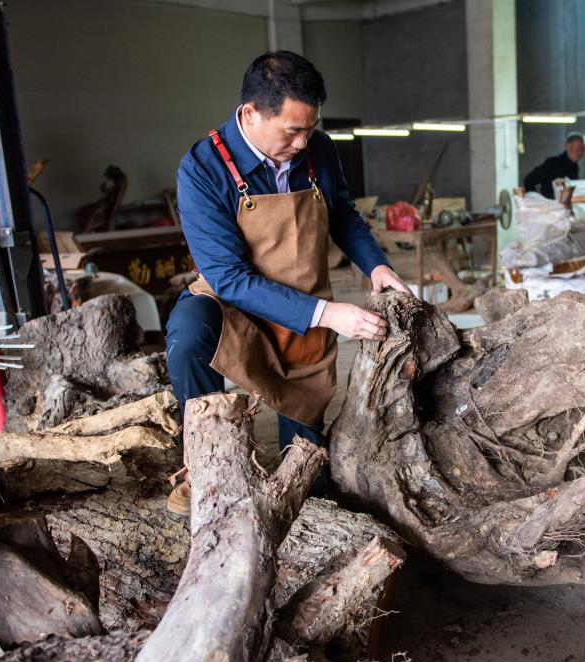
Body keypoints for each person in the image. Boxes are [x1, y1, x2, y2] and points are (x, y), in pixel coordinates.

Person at [165, 51, 411, 513]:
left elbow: (343, 216)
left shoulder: (319, 150)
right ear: (250, 114)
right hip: (235, 302)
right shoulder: (202, 168)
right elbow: (228, 277)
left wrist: (376, 266)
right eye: (292, 130)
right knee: (189, 331)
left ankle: (306, 492)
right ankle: (204, 464)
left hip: (302, 304)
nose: (302, 142)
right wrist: (327, 314)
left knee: (309, 478)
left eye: (310, 129)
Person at [522, 132, 585, 198]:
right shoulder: (552, 163)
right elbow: (529, 180)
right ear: (568, 146)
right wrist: (535, 199)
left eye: (583, 149)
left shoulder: (575, 167)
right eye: (578, 149)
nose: (580, 153)